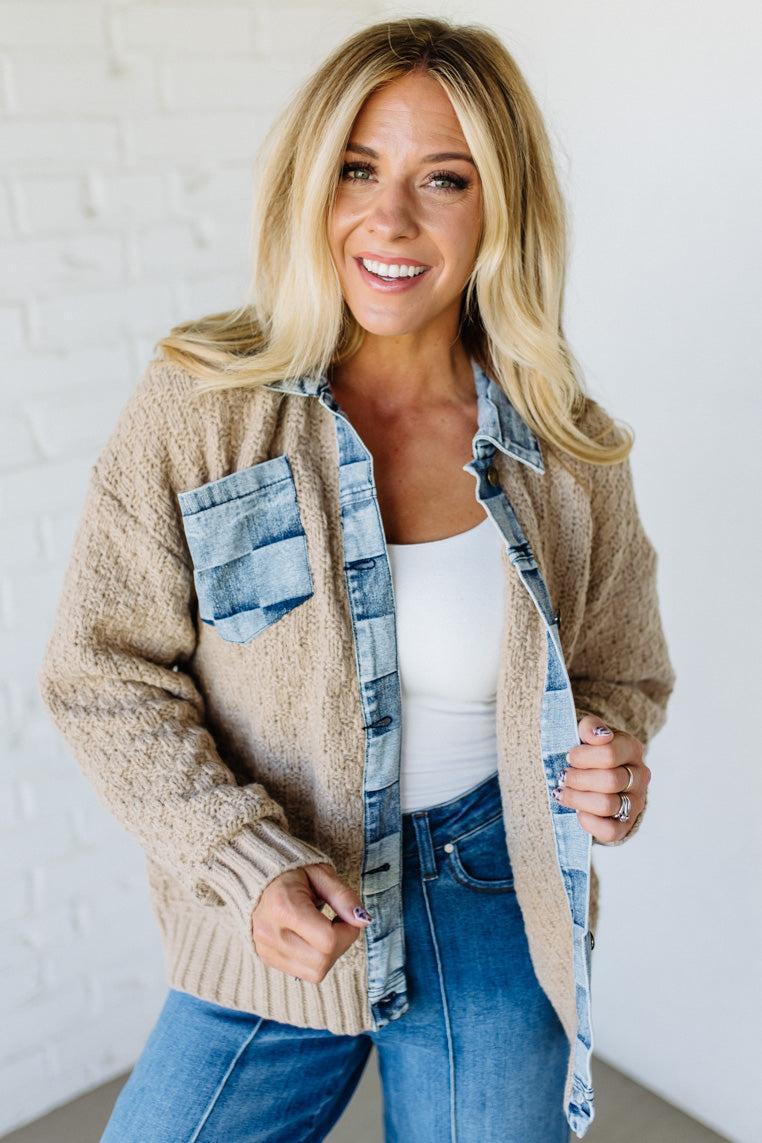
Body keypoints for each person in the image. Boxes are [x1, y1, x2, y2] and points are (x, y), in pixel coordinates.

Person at [37, 16, 676, 1143]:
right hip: (278, 904)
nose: (389, 220)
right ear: (309, 183)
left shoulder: (567, 446)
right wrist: (245, 864)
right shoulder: (204, 403)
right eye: (357, 170)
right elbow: (104, 674)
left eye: (445, 179)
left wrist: (608, 756)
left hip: (494, 901)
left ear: (502, 207)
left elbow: (620, 670)